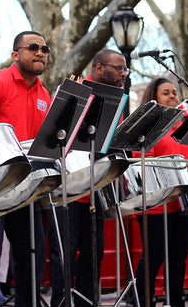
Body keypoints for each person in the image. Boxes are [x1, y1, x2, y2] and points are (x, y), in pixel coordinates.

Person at [0, 30, 51, 307]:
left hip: (26, 189)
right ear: (15, 54)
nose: (40, 52)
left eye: (45, 48)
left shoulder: (44, 93)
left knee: (32, 259)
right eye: (33, 47)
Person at [47, 48, 128, 307]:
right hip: (68, 187)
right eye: (119, 68)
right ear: (99, 67)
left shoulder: (116, 101)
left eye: (125, 69)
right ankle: (62, 303)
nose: (124, 74)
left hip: (94, 188)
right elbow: (55, 135)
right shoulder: (75, 91)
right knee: (65, 255)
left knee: (94, 254)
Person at [131, 77, 188, 307]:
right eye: (166, 93)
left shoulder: (182, 128)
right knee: (154, 255)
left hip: (182, 202)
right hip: (156, 202)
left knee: (179, 258)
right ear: (153, 98)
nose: (173, 97)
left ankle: (175, 302)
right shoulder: (147, 126)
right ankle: (141, 302)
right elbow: (141, 163)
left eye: (174, 93)